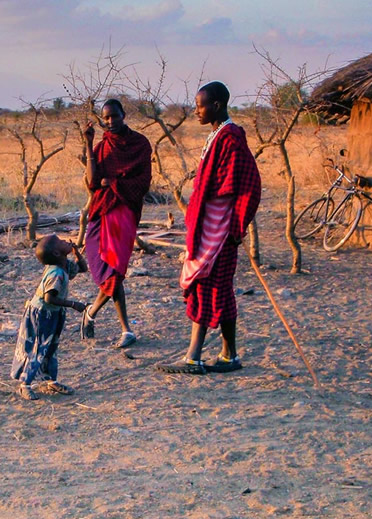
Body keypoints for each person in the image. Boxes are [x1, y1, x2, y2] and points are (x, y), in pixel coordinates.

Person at [157, 81, 261, 375]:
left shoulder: (230, 139)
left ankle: (192, 357)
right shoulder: (219, 136)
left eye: (200, 105)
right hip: (211, 226)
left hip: (220, 228)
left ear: (216, 105)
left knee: (207, 285)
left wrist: (237, 226)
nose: (196, 111)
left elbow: (248, 185)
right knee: (221, 288)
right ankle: (229, 355)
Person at [77, 98, 152, 349]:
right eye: (106, 118)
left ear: (124, 114)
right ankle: (126, 330)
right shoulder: (101, 146)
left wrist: (114, 184)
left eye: (114, 116)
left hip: (125, 211)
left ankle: (92, 312)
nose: (110, 122)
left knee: (116, 270)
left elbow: (143, 182)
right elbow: (91, 182)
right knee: (111, 272)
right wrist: (88, 144)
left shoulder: (140, 144)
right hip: (102, 212)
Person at [10, 234, 88, 400]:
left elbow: (83, 269)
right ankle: (25, 383)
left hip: (53, 313)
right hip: (42, 314)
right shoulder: (56, 273)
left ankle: (50, 379)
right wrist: (74, 304)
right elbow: (49, 298)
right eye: (60, 242)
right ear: (56, 254)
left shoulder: (64, 265)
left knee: (51, 347)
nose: (65, 241)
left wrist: (77, 253)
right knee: (38, 348)